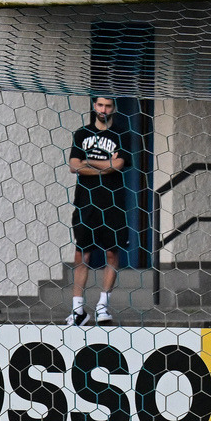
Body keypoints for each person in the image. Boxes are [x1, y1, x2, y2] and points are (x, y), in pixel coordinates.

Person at [65, 96, 129, 327]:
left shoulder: (122, 134)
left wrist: (88, 163)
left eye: (108, 106)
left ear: (114, 108)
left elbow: (119, 164)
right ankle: (78, 310)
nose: (103, 109)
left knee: (112, 253)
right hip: (86, 202)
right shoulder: (81, 134)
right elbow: (73, 165)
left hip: (113, 202)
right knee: (82, 254)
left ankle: (103, 307)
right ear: (94, 107)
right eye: (100, 105)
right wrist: (105, 168)